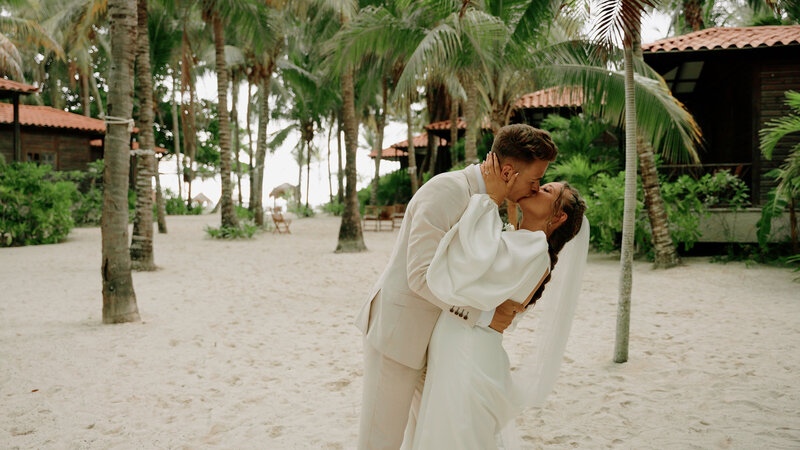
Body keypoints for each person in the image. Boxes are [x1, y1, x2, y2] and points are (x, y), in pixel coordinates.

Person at [354, 124, 558, 450]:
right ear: (508, 172)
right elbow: (418, 275)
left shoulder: (491, 203)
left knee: (428, 438)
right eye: (534, 181)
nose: (535, 189)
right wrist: (482, 316)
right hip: (399, 334)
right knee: (380, 440)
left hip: (438, 345)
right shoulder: (447, 190)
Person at [402, 155, 589, 450]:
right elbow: (490, 252)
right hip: (460, 343)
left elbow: (472, 260)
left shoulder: (535, 249)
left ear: (558, 217)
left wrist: (490, 197)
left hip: (468, 350)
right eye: (539, 184)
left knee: (455, 433)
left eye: (547, 191)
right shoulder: (522, 240)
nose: (537, 188)